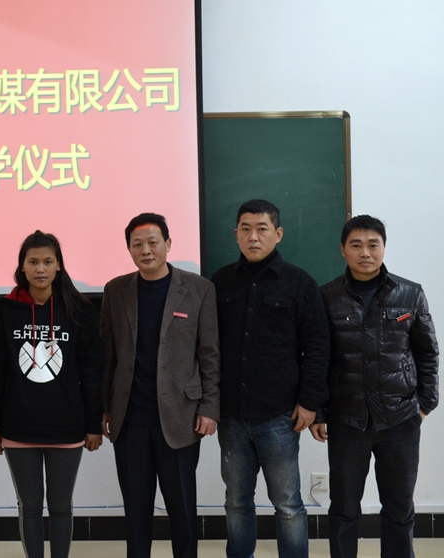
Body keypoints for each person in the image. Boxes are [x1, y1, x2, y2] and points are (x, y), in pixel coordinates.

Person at [310, 215, 439, 558]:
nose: (365, 252)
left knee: (399, 510)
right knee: (343, 509)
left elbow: (427, 352)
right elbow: (318, 358)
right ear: (343, 250)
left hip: (400, 419)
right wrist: (319, 411)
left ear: (383, 247)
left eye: (372, 245)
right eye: (356, 245)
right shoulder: (326, 296)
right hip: (346, 419)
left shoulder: (410, 294)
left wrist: (425, 404)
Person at [211, 199, 329, 558]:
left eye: (261, 229)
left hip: (280, 415)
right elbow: (208, 346)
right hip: (232, 415)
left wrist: (310, 402)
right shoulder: (220, 281)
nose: (253, 237)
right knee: (236, 501)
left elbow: (318, 346)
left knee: (288, 504)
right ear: (236, 234)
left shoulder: (299, 282)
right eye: (245, 229)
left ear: (277, 234)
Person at [101, 212, 221, 558]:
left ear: (168, 244)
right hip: (130, 419)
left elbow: (210, 354)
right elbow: (107, 353)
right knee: (135, 510)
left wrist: (209, 407)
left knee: (182, 510)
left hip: (181, 417)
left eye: (153, 242)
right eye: (137, 244)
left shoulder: (198, 289)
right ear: (128, 249)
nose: (146, 250)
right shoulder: (116, 290)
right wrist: (105, 408)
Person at [0, 231, 103, 558]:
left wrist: (93, 424)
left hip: (67, 426)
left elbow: (92, 371)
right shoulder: (7, 309)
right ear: (22, 266)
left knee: (61, 507)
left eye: (48, 261)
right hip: (17, 426)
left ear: (59, 266)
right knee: (30, 507)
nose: (40, 268)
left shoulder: (78, 308)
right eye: (33, 261)